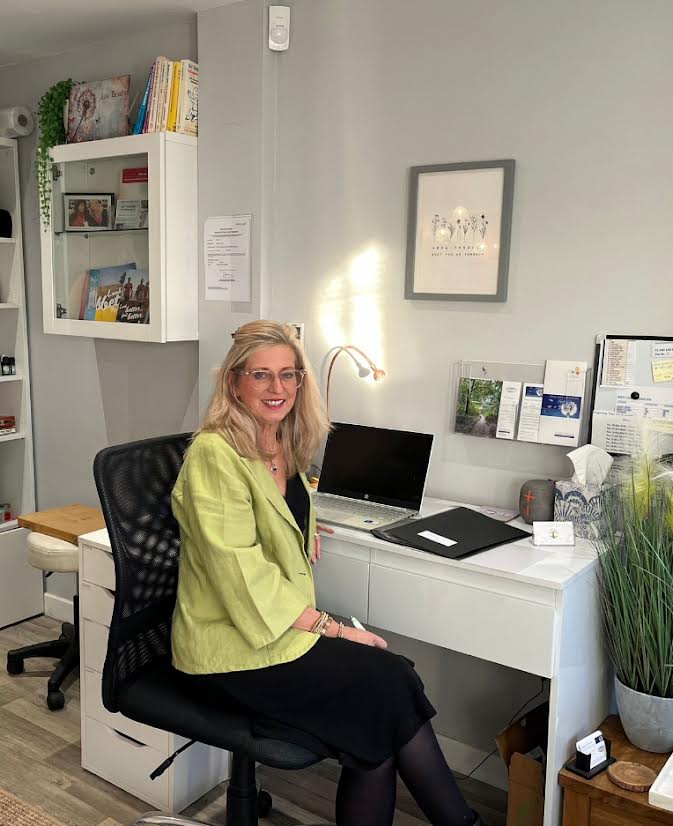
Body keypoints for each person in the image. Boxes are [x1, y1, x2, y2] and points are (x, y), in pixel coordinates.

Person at [171, 320, 484, 826]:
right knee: (388, 686)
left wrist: (302, 525)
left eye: (289, 375)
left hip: (274, 633)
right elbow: (240, 573)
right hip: (229, 648)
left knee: (382, 710)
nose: (279, 389)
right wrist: (331, 627)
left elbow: (278, 507)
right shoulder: (214, 453)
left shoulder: (279, 442)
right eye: (262, 376)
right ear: (234, 382)